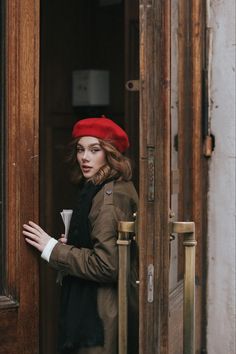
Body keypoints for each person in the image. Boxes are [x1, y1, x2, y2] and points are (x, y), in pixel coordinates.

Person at [22, 116, 139, 354]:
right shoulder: (105, 186)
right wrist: (74, 244)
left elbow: (107, 265)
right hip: (100, 307)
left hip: (98, 314)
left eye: (95, 150)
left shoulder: (109, 199)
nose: (84, 157)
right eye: (80, 149)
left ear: (110, 153)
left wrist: (52, 249)